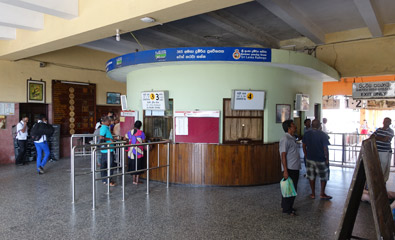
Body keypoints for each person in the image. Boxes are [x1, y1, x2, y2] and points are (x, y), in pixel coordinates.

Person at [302, 119, 332, 200]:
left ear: (312, 125)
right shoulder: (323, 135)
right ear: (319, 126)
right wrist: (327, 159)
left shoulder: (307, 134)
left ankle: (313, 193)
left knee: (311, 176)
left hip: (310, 158)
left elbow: (304, 145)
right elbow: (325, 148)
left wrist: (306, 154)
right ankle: (322, 193)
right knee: (323, 176)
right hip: (321, 159)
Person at [279, 120, 301, 216]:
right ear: (289, 127)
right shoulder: (285, 139)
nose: (295, 127)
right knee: (289, 188)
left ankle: (287, 206)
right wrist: (285, 171)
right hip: (290, 168)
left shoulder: (291, 138)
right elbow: (283, 155)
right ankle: (287, 209)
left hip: (294, 167)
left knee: (291, 188)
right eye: (293, 125)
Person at [370, 117, 394, 182]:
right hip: (376, 151)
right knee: (375, 166)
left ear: (390, 123)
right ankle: (375, 181)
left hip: (385, 152)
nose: (385, 123)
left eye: (387, 122)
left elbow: (385, 139)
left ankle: (382, 181)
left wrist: (376, 137)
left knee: (383, 167)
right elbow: (371, 136)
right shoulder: (379, 129)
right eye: (384, 121)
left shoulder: (391, 131)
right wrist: (380, 138)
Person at [125, 120, 146, 185]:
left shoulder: (129, 132)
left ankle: (133, 180)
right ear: (140, 126)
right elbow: (144, 141)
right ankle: (137, 180)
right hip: (138, 152)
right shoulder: (141, 132)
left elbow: (124, 138)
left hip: (131, 152)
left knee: (133, 165)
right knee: (138, 165)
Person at [100, 116, 116, 186]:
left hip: (105, 150)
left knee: (104, 165)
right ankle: (108, 181)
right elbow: (101, 137)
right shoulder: (104, 127)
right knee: (110, 165)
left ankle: (105, 180)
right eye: (109, 121)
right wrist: (110, 139)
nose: (110, 122)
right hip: (108, 150)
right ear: (105, 122)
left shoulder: (105, 127)